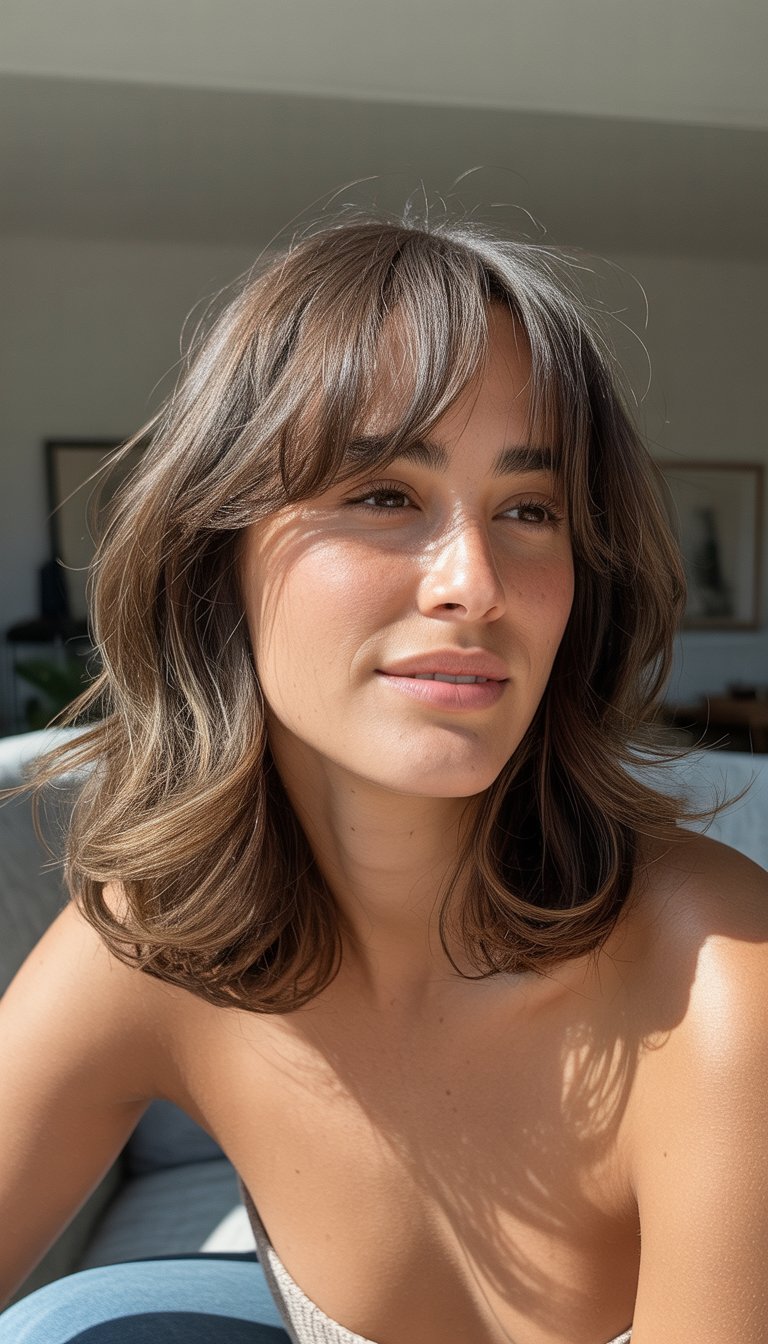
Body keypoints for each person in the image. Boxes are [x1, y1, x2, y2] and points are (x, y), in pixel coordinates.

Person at [1, 212, 766, 1344]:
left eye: (529, 511)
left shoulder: (714, 984)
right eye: (384, 495)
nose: (474, 583)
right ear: (220, 554)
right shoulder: (150, 940)